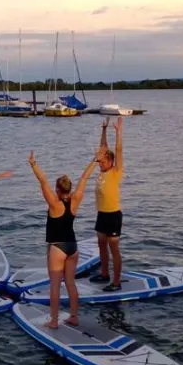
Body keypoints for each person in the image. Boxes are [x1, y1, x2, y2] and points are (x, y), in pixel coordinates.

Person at [28, 147, 102, 328]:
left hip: (57, 247)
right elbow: (84, 178)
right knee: (70, 283)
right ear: (69, 188)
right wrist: (95, 160)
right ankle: (74, 316)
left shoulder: (54, 204)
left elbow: (42, 181)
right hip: (73, 246)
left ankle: (54, 321)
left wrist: (33, 164)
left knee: (54, 285)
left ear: (57, 189)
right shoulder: (76, 199)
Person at [92, 116, 124, 291]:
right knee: (101, 245)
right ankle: (104, 274)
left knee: (114, 248)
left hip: (113, 215)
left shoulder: (115, 172)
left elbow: (118, 151)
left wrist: (118, 133)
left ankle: (116, 282)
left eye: (103, 162)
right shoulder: (102, 171)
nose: (100, 164)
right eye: (100, 161)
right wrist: (104, 130)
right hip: (101, 214)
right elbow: (103, 149)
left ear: (111, 162)